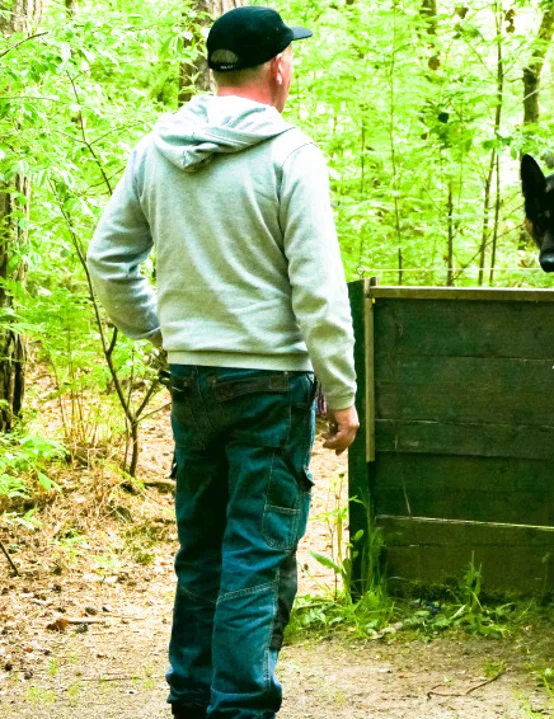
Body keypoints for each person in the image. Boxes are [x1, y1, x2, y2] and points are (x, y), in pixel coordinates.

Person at [86, 6, 358, 718]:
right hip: (270, 385)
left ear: (215, 70)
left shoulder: (156, 150)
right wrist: (342, 391)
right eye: (289, 59)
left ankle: (192, 698)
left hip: (194, 381)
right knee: (256, 556)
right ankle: (237, 708)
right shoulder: (290, 156)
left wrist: (162, 330)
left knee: (203, 551)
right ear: (278, 68)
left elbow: (107, 259)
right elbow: (320, 289)